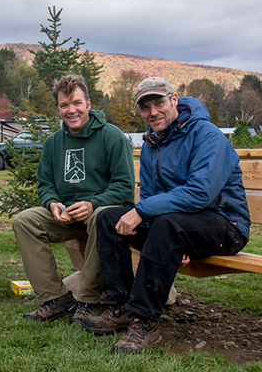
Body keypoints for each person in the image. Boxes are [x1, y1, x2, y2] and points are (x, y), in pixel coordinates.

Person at [83, 77, 250, 353]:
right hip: (178, 227)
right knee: (108, 218)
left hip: (225, 225)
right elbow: (150, 196)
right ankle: (119, 305)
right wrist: (166, 237)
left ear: (174, 100)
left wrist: (148, 217)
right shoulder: (151, 143)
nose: (153, 112)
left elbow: (200, 193)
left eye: (159, 103)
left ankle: (145, 321)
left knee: (166, 223)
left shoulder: (207, 135)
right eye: (145, 107)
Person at [13, 75, 135, 323]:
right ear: (58, 108)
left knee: (102, 219)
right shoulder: (53, 143)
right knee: (24, 221)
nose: (71, 110)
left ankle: (88, 300)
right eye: (64, 105)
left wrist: (93, 204)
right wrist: (52, 204)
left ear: (88, 103)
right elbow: (45, 184)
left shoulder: (112, 137)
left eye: (77, 103)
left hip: (103, 212)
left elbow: (124, 186)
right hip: (66, 214)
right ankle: (55, 298)